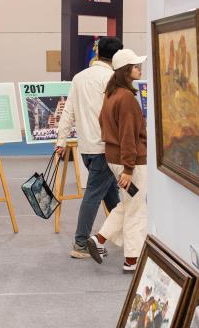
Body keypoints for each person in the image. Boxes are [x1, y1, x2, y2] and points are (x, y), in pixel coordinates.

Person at [56, 36, 124, 259]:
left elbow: (68, 111)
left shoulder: (79, 77)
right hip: (105, 147)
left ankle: (126, 234)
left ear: (97, 52)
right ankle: (80, 243)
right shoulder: (113, 79)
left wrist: (61, 141)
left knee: (111, 195)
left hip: (85, 148)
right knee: (94, 195)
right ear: (117, 56)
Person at [87, 49, 148, 273]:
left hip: (115, 159)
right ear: (126, 71)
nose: (139, 69)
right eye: (135, 66)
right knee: (136, 210)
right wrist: (129, 168)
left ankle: (99, 239)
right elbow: (128, 136)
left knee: (129, 203)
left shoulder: (111, 94)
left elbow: (103, 124)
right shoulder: (127, 98)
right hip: (131, 162)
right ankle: (132, 260)